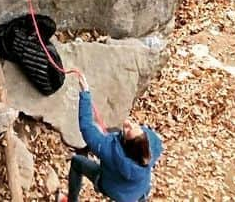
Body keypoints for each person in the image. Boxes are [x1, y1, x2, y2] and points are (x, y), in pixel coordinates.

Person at [61, 71, 163, 201]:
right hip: (137, 191)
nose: (127, 123)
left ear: (125, 144)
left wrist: (85, 93)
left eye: (127, 130)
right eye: (136, 126)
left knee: (77, 162)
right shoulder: (152, 147)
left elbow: (86, 127)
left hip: (110, 188)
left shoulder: (109, 150)